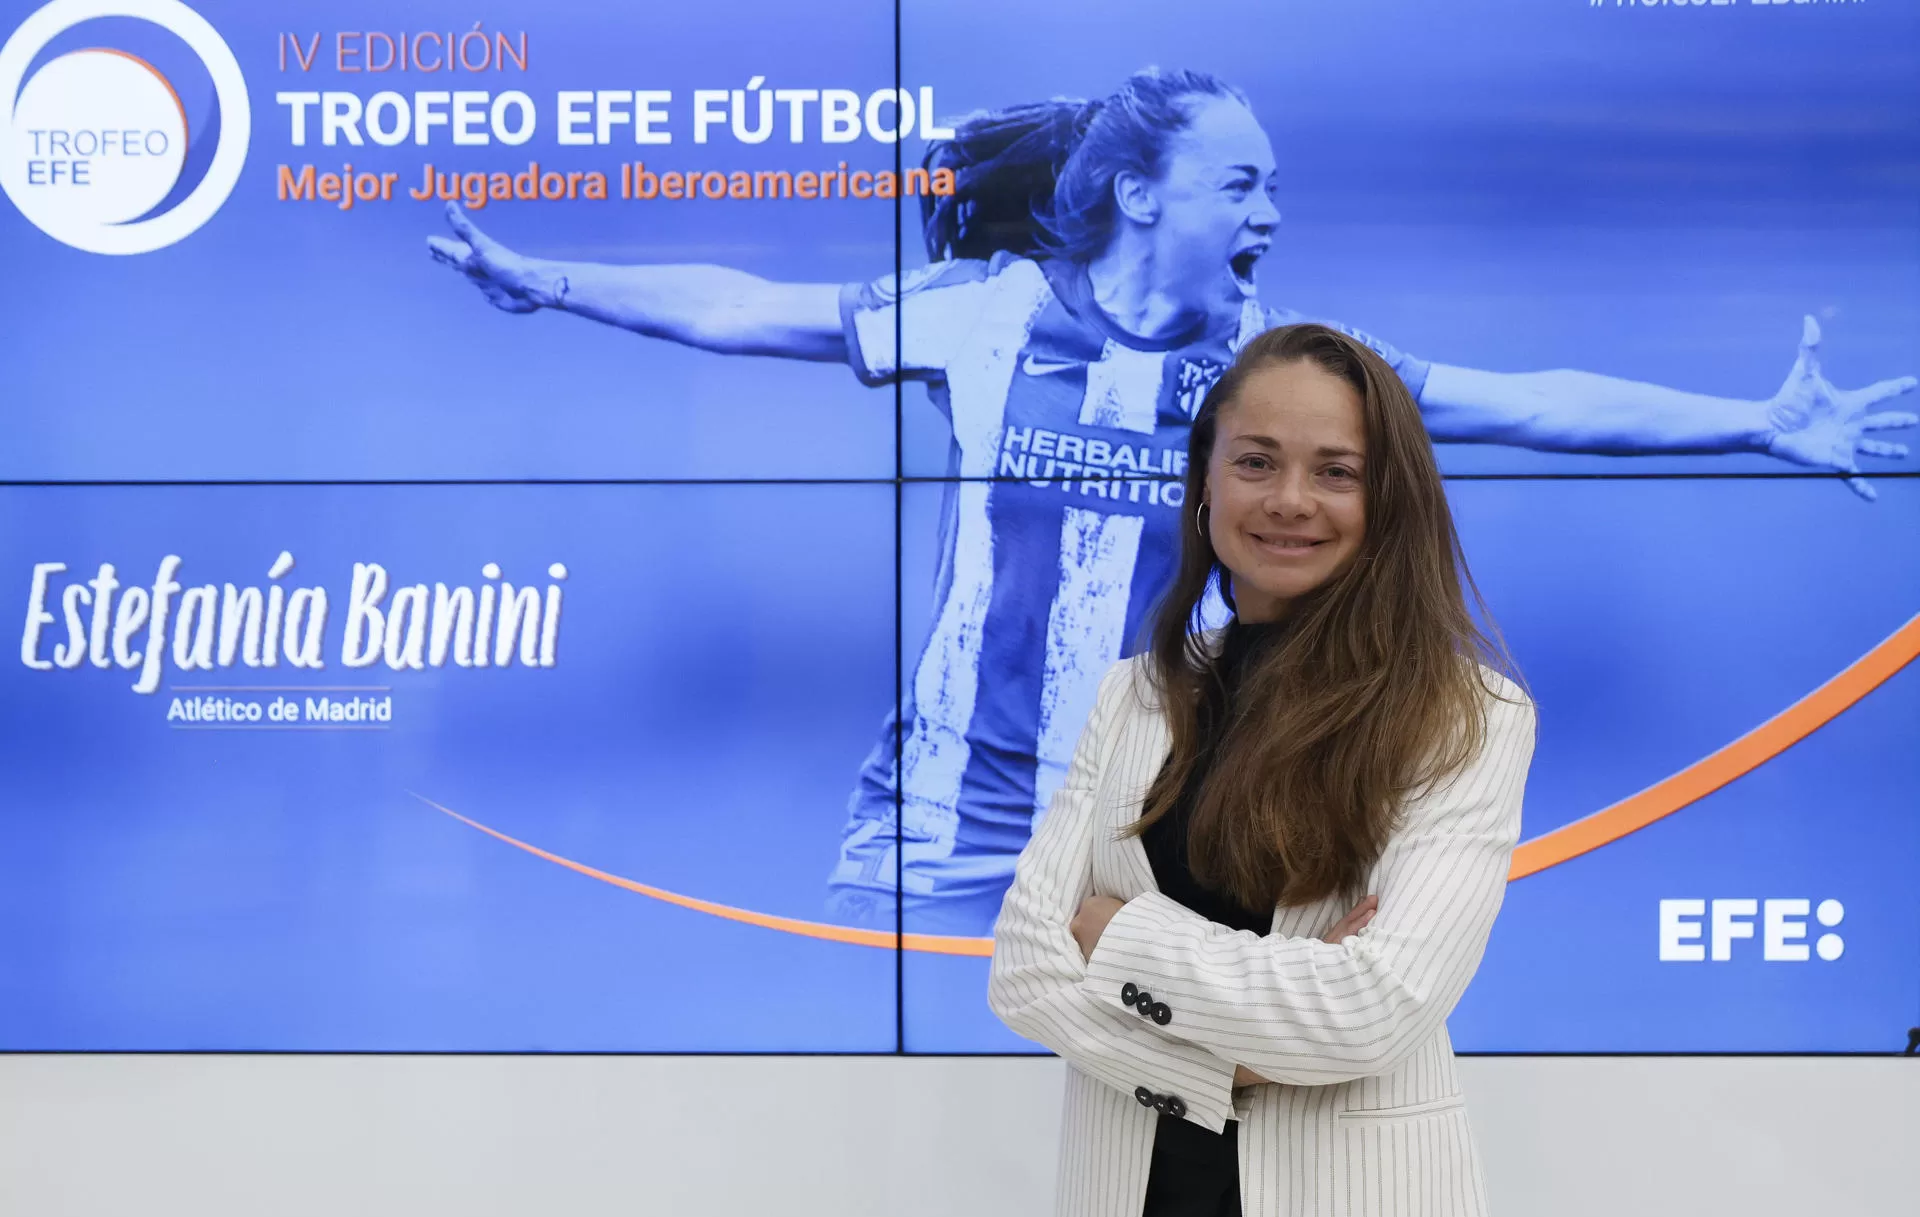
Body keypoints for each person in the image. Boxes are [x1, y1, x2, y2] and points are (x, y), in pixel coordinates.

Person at [427, 68, 1910, 937]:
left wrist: (1758, 426)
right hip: (943, 822)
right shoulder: (988, 315)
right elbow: (746, 308)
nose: (1272, 212)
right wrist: (549, 280)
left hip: (1176, 830)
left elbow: (1518, 400)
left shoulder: (1283, 364)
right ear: (1142, 195)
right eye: (1241, 183)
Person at [988, 323, 1534, 1217]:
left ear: (1389, 497)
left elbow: (1371, 1009)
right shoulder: (1133, 695)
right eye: (1256, 461)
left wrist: (1119, 939)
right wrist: (1231, 1064)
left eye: (1336, 471)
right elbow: (1026, 971)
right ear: (1205, 481)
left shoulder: (1467, 716)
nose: (1289, 499)